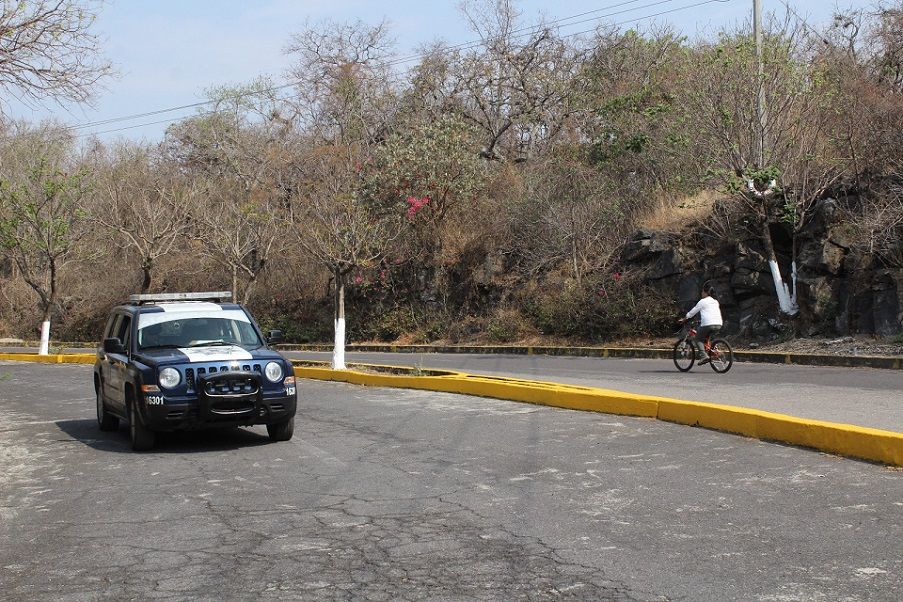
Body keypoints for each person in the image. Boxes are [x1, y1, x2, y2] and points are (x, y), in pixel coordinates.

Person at [679, 283, 723, 365]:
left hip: (707, 324)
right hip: (719, 323)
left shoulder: (702, 302)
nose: (701, 293)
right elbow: (710, 312)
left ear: (706, 293)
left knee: (698, 339)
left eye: (702, 291)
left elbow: (692, 312)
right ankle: (715, 351)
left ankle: (704, 356)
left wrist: (684, 319)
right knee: (706, 338)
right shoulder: (715, 301)